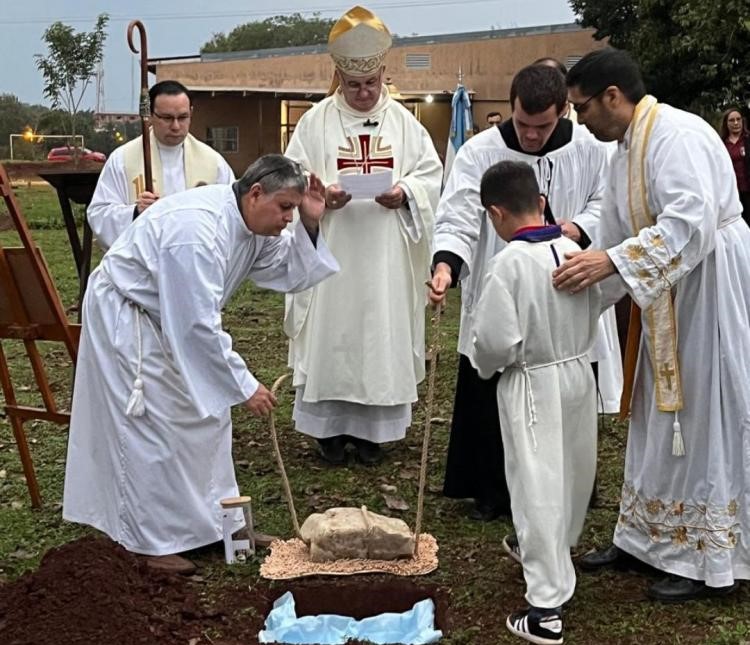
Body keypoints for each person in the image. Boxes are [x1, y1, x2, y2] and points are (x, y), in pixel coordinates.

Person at [63, 155, 339, 574]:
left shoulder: (249, 224)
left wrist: (312, 223)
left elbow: (287, 268)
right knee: (152, 426)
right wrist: (244, 385)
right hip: (129, 317)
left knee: (207, 418)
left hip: (171, 319)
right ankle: (149, 541)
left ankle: (217, 526)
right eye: (285, 207)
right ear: (256, 192)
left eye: (293, 210)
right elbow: (196, 325)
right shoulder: (197, 231)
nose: (288, 218)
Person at [555, 48, 750, 602]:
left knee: (703, 412)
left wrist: (614, 262)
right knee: (657, 414)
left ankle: (705, 557)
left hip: (710, 282)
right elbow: (616, 230)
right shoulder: (623, 149)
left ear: (612, 96)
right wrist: (587, 285)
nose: (580, 119)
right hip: (666, 289)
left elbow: (692, 221)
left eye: (582, 107)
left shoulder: (677, 135)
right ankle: (646, 539)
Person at [430, 64, 616, 521]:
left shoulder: (591, 148)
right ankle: (491, 490)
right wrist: (446, 265)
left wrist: (577, 228)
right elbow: (457, 215)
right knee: (492, 381)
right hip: (503, 282)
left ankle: (567, 492)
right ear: (509, 108)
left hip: (566, 280)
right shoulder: (479, 152)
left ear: (563, 111)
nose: (531, 136)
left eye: (543, 126)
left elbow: (607, 203)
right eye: (522, 124)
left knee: (564, 390)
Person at [283, 5, 442, 466]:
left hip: (385, 255)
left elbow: (431, 176)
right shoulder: (315, 122)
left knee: (379, 333)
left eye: (370, 83)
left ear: (383, 73)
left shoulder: (405, 124)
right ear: (339, 76)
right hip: (332, 248)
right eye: (353, 84)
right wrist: (320, 197)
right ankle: (328, 433)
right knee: (333, 335)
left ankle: (375, 433)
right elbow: (292, 174)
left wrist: (406, 192)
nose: (363, 92)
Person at [472, 160, 599, 645]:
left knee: (535, 483)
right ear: (540, 203)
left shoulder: (508, 263)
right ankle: (556, 552)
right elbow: (599, 299)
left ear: (496, 213)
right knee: (570, 472)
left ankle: (546, 607)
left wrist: (487, 367)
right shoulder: (572, 248)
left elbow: (495, 342)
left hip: (532, 381)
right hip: (576, 372)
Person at [88, 80, 234, 251]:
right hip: (144, 265)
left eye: (183, 117)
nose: (176, 126)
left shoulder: (213, 162)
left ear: (191, 112)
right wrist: (135, 212)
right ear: (150, 115)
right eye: (167, 118)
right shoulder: (123, 160)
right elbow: (99, 214)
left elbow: (232, 212)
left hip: (196, 261)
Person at [719, 107, 750, 224]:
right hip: (732, 193)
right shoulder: (721, 144)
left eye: (738, 119)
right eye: (732, 120)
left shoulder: (747, 139)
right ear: (726, 123)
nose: (736, 123)